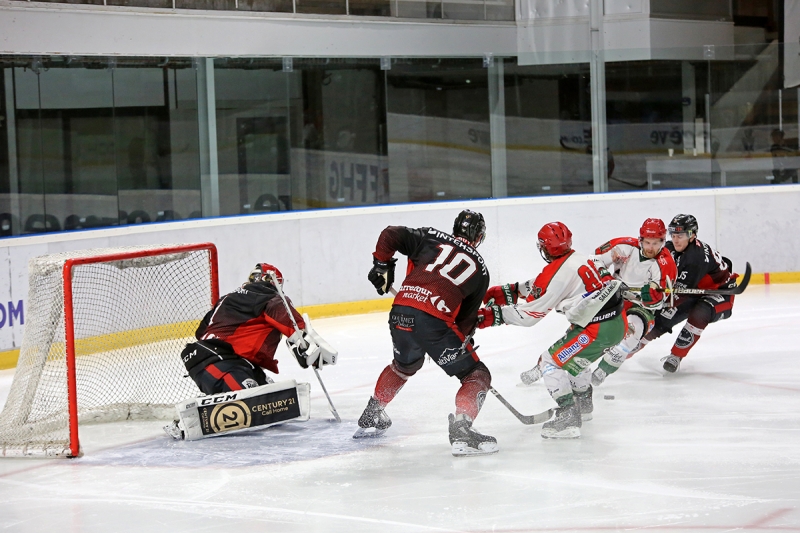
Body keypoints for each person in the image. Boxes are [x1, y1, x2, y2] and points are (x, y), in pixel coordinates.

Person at [355, 210, 496, 456]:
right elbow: (464, 322)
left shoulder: (429, 236)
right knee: (477, 374)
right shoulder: (481, 270)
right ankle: (462, 429)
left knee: (403, 366)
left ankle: (373, 412)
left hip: (400, 311)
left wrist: (382, 265)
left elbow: (390, 234)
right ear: (480, 236)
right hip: (434, 323)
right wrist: (458, 345)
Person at [477, 222, 625, 439]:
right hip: (617, 323)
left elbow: (529, 315)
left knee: (550, 362)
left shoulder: (557, 273)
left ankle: (568, 417)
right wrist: (509, 292)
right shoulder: (583, 258)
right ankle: (583, 406)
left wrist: (489, 317)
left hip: (596, 328)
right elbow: (546, 283)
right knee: (576, 360)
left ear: (545, 248)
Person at [179, 263, 312, 396]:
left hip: (214, 359)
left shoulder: (226, 299)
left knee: (269, 396)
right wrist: (306, 343)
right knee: (252, 399)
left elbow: (200, 333)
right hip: (223, 362)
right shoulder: (269, 296)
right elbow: (293, 325)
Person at [630, 214, 739, 372]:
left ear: (692, 235)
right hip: (693, 291)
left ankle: (676, 355)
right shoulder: (669, 248)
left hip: (721, 293)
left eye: (680, 235)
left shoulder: (697, 257)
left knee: (699, 313)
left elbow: (677, 296)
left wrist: (650, 302)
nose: (675, 240)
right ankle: (629, 346)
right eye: (673, 235)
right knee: (661, 319)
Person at [583, 218, 678, 385]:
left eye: (656, 243)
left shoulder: (667, 265)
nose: (651, 248)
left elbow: (663, 302)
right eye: (647, 242)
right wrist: (604, 275)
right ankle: (553, 363)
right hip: (613, 298)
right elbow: (593, 259)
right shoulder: (624, 246)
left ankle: (602, 372)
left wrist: (651, 297)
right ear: (640, 239)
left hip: (641, 307)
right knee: (585, 327)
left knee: (633, 332)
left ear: (664, 241)